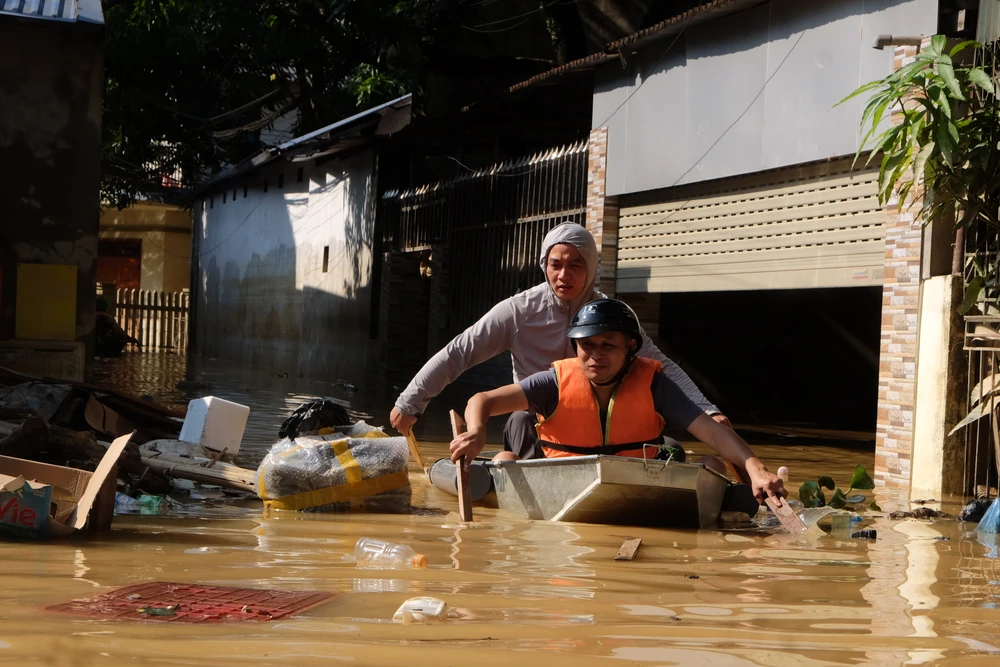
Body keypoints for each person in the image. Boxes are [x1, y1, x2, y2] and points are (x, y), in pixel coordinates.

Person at [390, 221, 730, 459]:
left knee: (665, 439)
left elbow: (662, 367)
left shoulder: (610, 316)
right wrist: (411, 403)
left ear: (592, 268)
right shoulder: (518, 312)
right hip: (542, 421)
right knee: (520, 419)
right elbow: (459, 353)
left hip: (602, 420)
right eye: (555, 265)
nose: (563, 275)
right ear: (544, 265)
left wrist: (708, 411)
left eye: (575, 265)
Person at [449, 299, 787, 504]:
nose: (595, 356)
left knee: (712, 467)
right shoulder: (554, 381)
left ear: (630, 348)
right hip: (560, 484)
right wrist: (477, 431)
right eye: (587, 346)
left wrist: (756, 469)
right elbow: (482, 400)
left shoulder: (656, 384)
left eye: (608, 345)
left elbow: (713, 432)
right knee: (506, 458)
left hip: (635, 484)